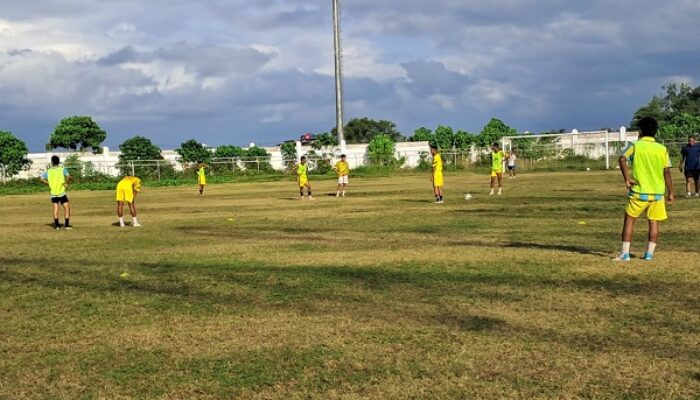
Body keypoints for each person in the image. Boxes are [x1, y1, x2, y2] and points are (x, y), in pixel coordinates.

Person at [615, 117, 673, 262]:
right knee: (654, 223)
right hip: (658, 193)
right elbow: (667, 172)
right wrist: (671, 192)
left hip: (639, 192)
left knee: (629, 221)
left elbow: (622, 159)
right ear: (655, 131)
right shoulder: (662, 149)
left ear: (640, 132)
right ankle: (649, 254)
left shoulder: (635, 145)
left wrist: (627, 179)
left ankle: (625, 254)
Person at [39, 155, 72, 230]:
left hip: (53, 193)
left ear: (52, 162)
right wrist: (67, 183)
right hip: (61, 192)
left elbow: (40, 179)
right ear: (58, 162)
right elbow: (69, 177)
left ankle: (57, 226)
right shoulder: (62, 169)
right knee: (66, 208)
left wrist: (48, 183)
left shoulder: (49, 171)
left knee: (55, 208)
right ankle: (66, 225)